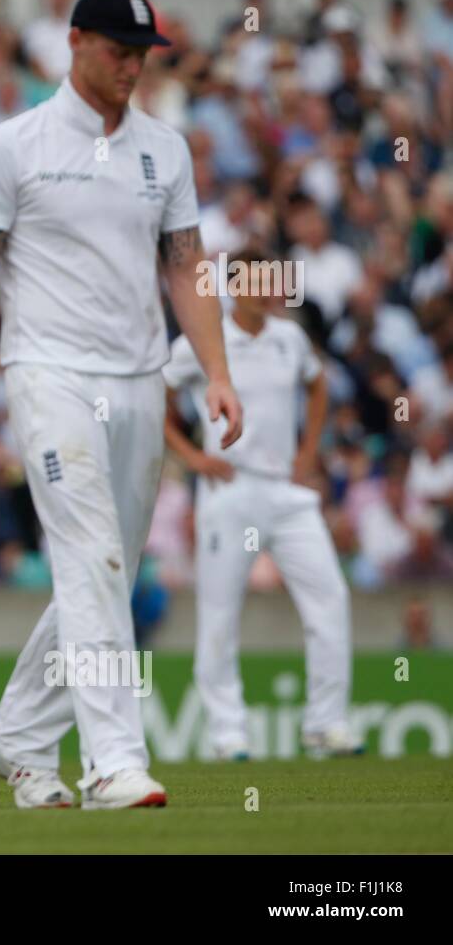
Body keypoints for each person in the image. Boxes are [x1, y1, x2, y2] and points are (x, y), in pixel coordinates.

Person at [0, 0, 243, 810]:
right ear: (74, 43)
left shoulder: (166, 149)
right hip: (47, 373)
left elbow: (186, 266)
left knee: (102, 572)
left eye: (142, 54)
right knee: (94, 560)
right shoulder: (13, 144)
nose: (131, 66)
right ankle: (113, 761)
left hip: (139, 380)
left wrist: (214, 370)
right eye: (117, 50)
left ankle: (22, 738)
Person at [165, 250, 360, 760]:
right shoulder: (203, 345)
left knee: (330, 597)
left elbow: (318, 386)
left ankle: (327, 723)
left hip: (287, 491)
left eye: (268, 282)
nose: (263, 291)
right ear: (232, 288)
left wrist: (308, 452)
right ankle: (228, 734)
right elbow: (154, 395)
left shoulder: (289, 338)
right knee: (220, 615)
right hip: (229, 490)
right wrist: (192, 457)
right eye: (252, 283)